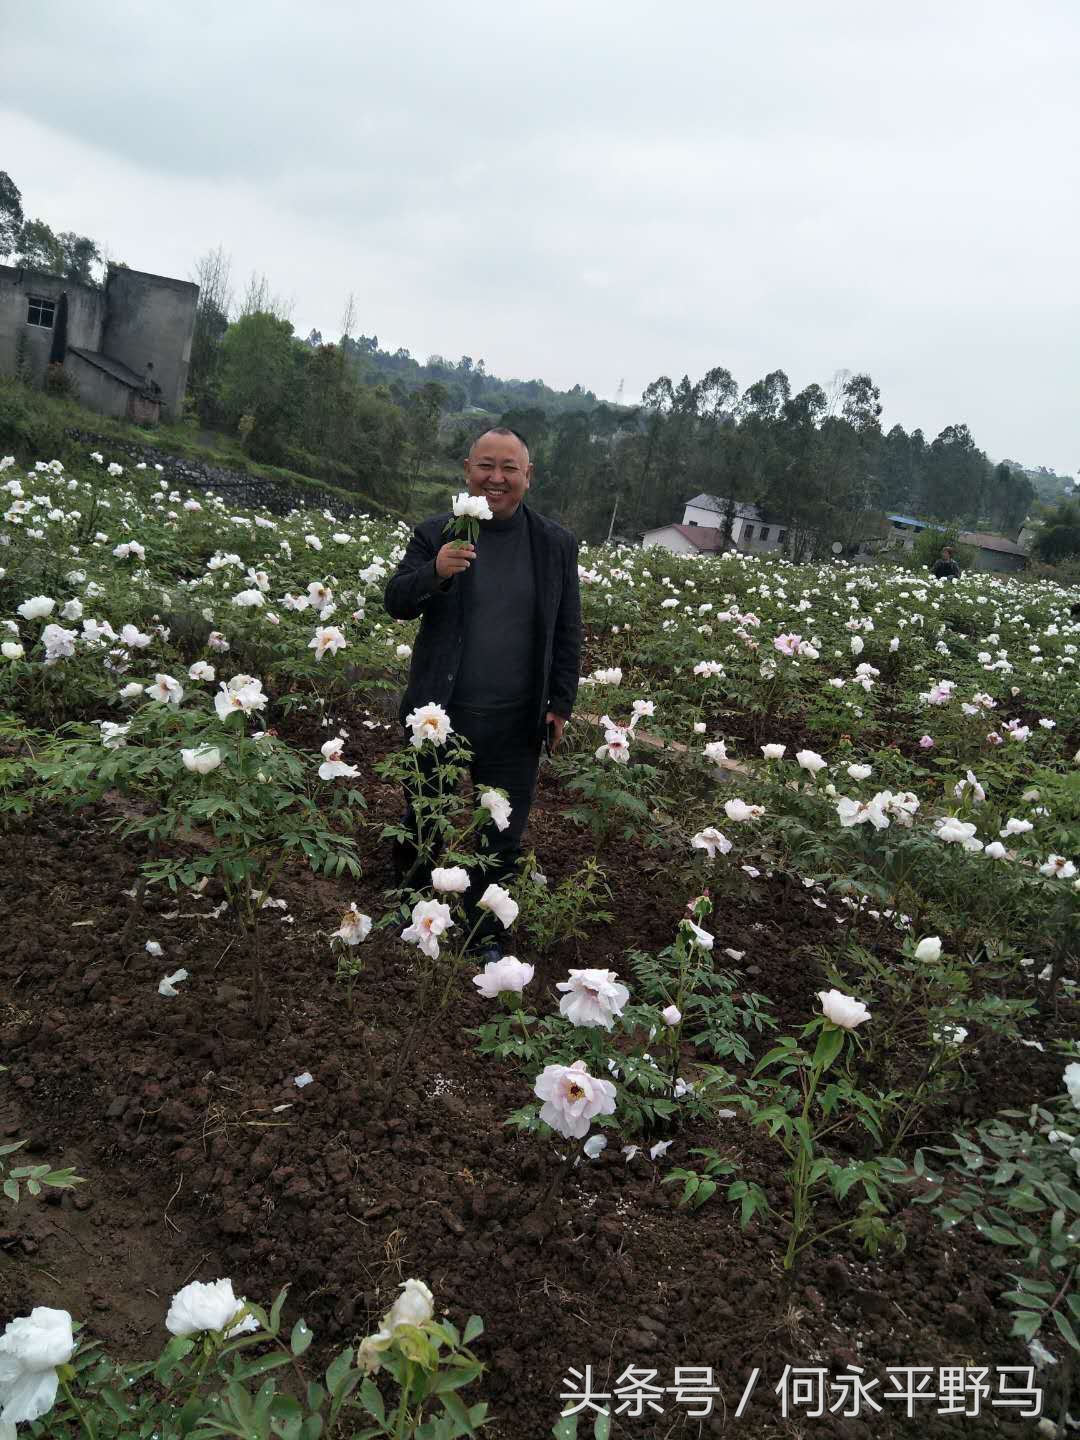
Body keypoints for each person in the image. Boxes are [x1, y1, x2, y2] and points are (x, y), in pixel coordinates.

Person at [383, 427, 582, 960]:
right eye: (485, 466)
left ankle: (486, 933)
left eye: (508, 468)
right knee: (424, 816)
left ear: (527, 476)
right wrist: (435, 572)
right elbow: (397, 601)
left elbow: (567, 630)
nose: (496, 478)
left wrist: (560, 704)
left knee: (501, 833)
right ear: (467, 471)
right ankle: (416, 908)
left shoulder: (554, 544)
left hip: (516, 721)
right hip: (439, 715)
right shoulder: (436, 534)